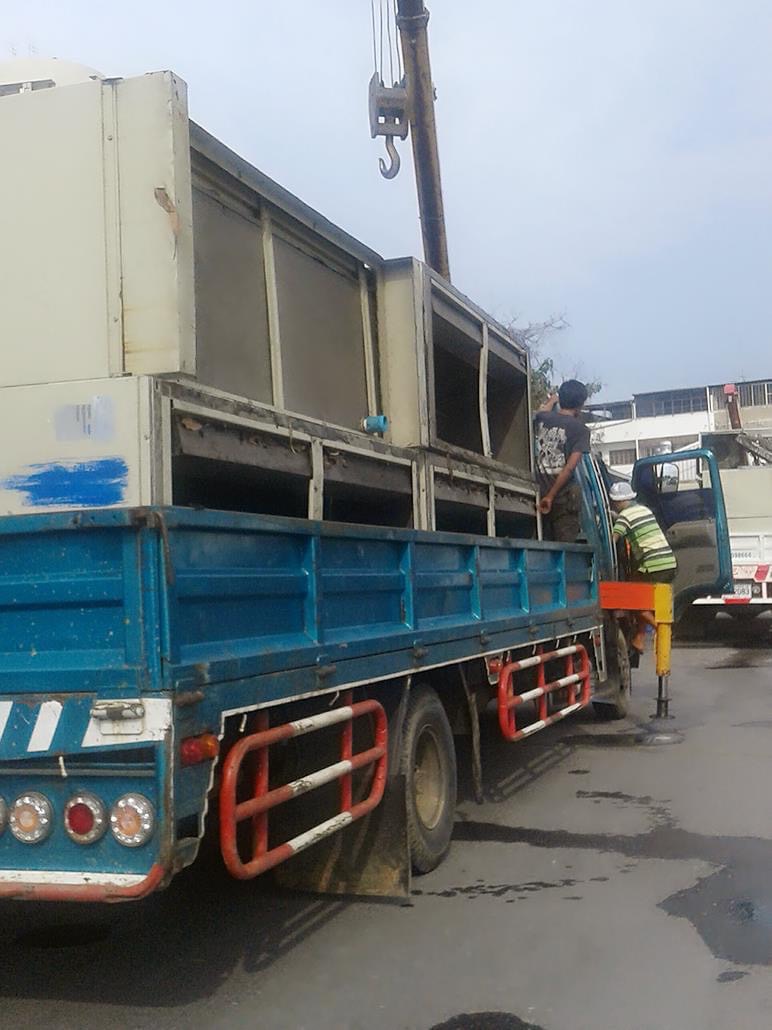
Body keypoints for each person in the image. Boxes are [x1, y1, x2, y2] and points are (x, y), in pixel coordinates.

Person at [609, 481, 677, 654]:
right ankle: (639, 638)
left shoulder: (624, 517)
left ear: (618, 502)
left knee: (634, 600)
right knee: (642, 593)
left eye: (614, 503)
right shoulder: (644, 510)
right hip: (668, 563)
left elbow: (612, 541)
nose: (614, 506)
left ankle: (661, 629)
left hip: (653, 565)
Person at [533, 379, 590, 541]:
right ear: (580, 404)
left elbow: (542, 410)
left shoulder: (542, 418)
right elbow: (569, 468)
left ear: (561, 398)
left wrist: (552, 401)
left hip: (539, 493)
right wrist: (550, 497)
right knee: (565, 548)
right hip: (563, 499)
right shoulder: (581, 430)